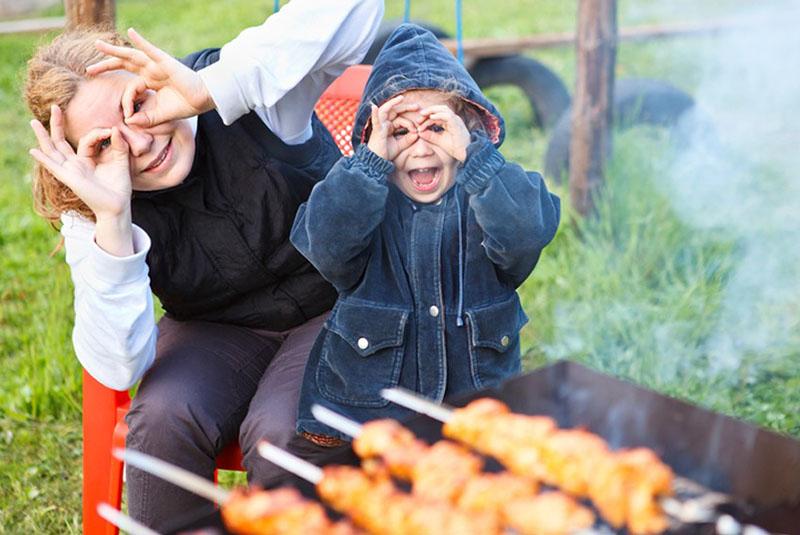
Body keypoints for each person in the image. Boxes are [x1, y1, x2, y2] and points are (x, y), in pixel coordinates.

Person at [24, 0, 383, 528]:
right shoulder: (94, 201)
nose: (140, 143)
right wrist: (113, 220)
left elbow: (355, 7)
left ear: (154, 75)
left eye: (137, 104)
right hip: (217, 329)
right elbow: (118, 368)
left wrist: (210, 88)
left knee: (286, 429)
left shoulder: (246, 97)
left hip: (340, 306)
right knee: (164, 422)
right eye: (105, 144)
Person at [290, 24, 561, 444]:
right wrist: (368, 164)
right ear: (372, 140)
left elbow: (526, 234)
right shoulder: (362, 198)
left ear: (468, 130)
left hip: (474, 418)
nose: (419, 147)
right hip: (365, 421)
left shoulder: (489, 193)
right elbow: (325, 245)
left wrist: (478, 160)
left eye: (437, 128)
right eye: (399, 132)